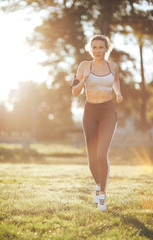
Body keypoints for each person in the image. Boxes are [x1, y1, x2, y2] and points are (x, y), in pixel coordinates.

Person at [71, 35, 123, 211]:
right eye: (95, 47)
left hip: (108, 112)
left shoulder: (113, 66)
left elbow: (115, 81)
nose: (98, 50)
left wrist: (118, 93)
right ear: (90, 49)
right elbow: (74, 92)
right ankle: (98, 185)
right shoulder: (84, 66)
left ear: (107, 49)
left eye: (101, 47)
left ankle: (102, 194)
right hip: (90, 113)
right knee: (92, 158)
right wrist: (84, 80)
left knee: (102, 154)